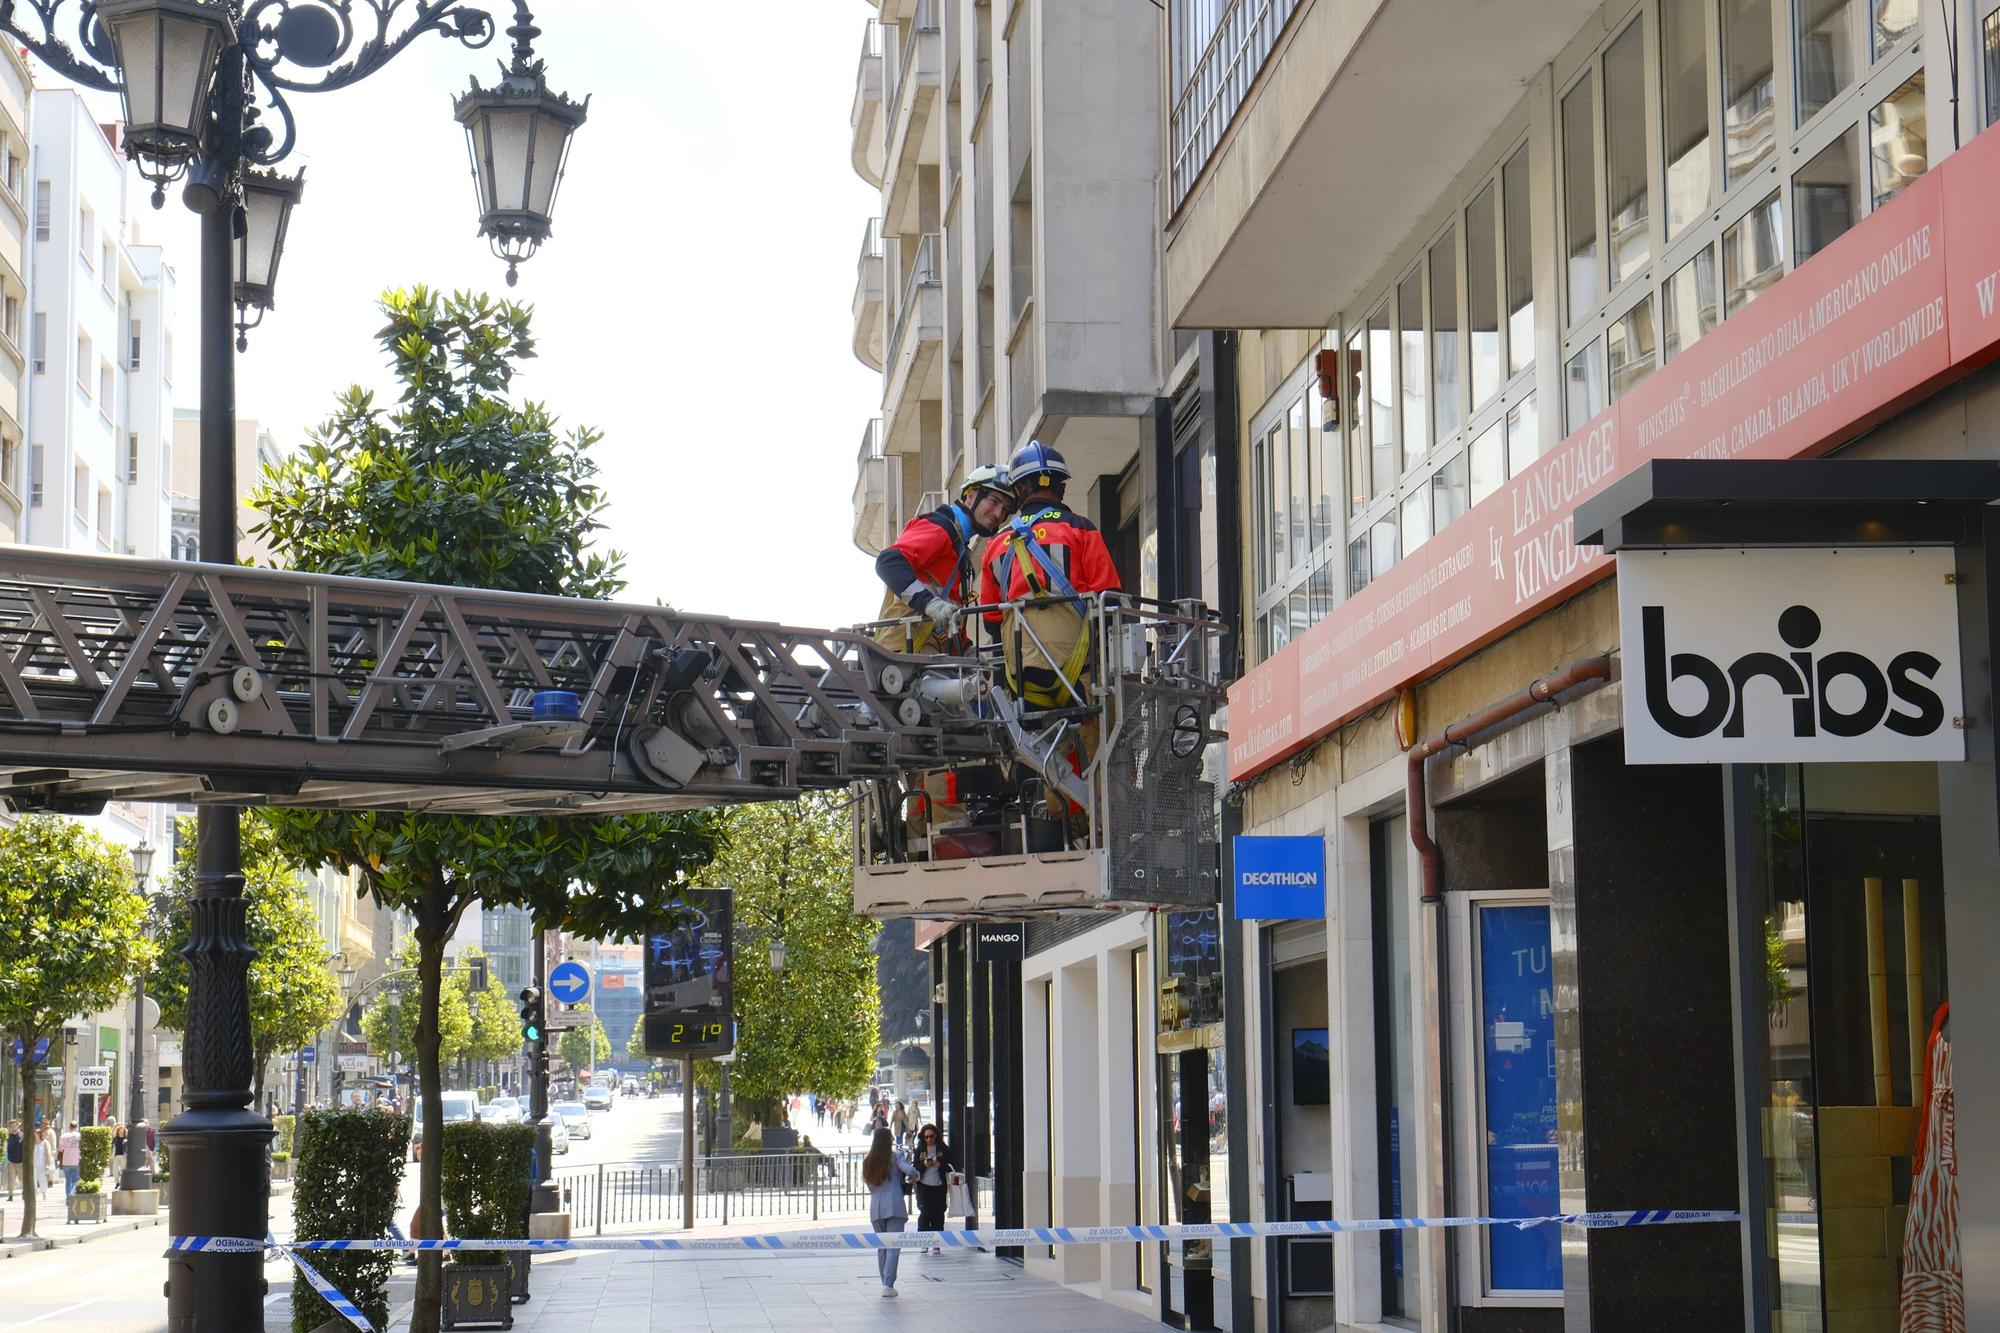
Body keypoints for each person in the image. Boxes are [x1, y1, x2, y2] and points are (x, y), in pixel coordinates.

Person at [872, 464, 1015, 655]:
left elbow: (947, 610)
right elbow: (889, 562)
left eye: (1005, 509)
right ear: (971, 494)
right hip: (906, 652)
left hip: (927, 654)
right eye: (994, 501)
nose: (999, 514)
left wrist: (965, 648)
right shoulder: (941, 527)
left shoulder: (958, 546)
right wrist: (930, 604)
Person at [861, 1127, 917, 1297]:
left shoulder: (867, 1161)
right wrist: (915, 1174)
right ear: (889, 1139)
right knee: (893, 1246)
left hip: (876, 1207)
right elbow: (911, 1171)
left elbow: (870, 1185)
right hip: (894, 1205)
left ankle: (885, 1282)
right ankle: (888, 1283)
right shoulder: (896, 1156)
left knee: (882, 1246)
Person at [912, 1123, 957, 1254]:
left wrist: (939, 1164)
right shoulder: (920, 1150)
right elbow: (915, 1168)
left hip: (939, 1186)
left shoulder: (943, 1148)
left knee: (938, 1213)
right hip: (924, 1186)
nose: (929, 1140)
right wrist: (924, 1164)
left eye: (931, 1136)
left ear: (936, 1136)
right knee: (925, 1213)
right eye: (926, 1137)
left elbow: (951, 1164)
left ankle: (936, 1242)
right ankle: (924, 1242)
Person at [58, 1122, 80, 1197]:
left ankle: (68, 1198)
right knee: (75, 1181)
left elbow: (60, 1150)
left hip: (66, 1162)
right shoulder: (79, 1136)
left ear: (69, 1127)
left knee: (68, 1181)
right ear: (76, 1127)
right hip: (76, 1162)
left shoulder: (63, 1136)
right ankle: (72, 1196)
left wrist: (60, 1162)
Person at [5, 1119, 20, 1200]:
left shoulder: (21, 1135)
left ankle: (25, 1194)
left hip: (21, 1161)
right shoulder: (8, 1137)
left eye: (14, 1126)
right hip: (11, 1161)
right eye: (11, 1126)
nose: (13, 1128)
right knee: (11, 1178)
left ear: (17, 1126)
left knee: (22, 1179)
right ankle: (10, 1195)